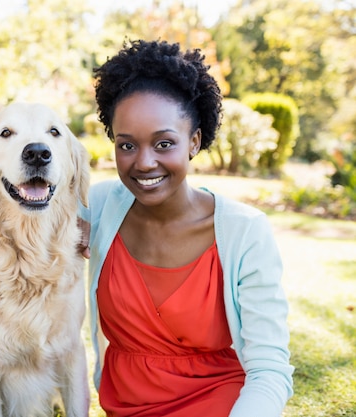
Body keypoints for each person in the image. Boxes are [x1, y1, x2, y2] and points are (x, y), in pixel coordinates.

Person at [84, 39, 294, 417]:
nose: (144, 163)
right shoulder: (97, 207)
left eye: (164, 143)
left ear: (194, 142)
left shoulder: (244, 232)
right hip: (124, 406)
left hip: (219, 403)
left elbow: (270, 368)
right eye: (126, 145)